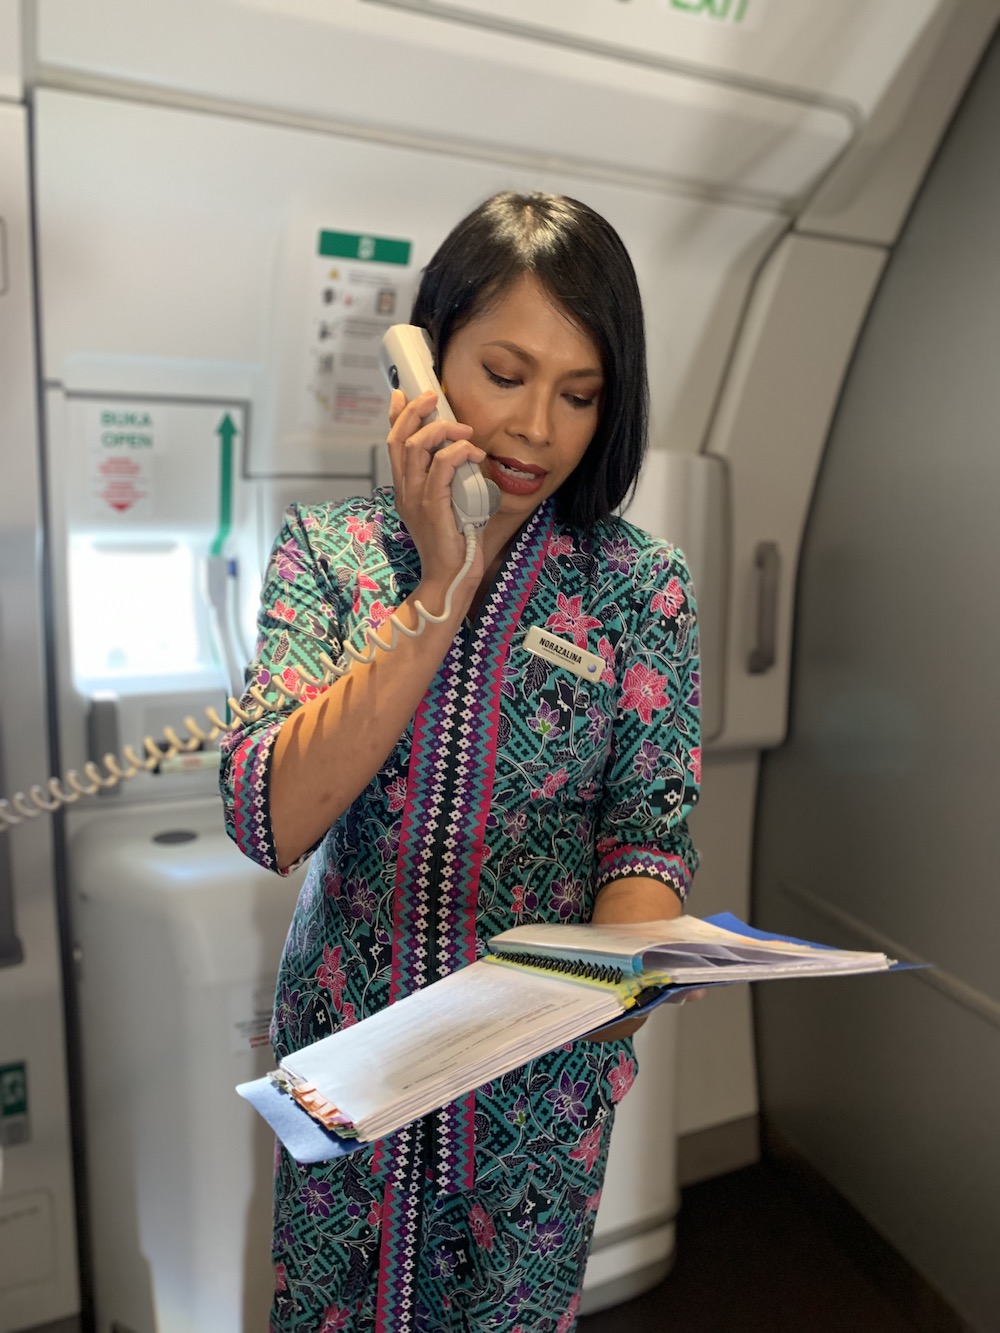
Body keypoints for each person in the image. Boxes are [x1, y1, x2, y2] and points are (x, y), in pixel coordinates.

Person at [220, 191, 700, 1333]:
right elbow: (268, 814)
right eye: (504, 373)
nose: (535, 429)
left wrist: (622, 981)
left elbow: (648, 833)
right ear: (426, 364)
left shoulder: (642, 587)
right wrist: (443, 582)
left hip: (534, 1101)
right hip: (348, 1072)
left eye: (579, 394)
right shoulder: (332, 556)